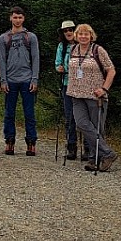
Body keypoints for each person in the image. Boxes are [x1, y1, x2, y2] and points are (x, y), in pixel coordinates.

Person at [66, 23, 118, 171]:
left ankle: (94, 160)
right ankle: (107, 153)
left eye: (86, 34)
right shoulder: (73, 49)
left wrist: (104, 88)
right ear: (76, 36)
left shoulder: (98, 50)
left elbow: (111, 70)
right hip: (76, 94)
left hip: (95, 95)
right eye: (80, 34)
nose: (83, 36)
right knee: (81, 124)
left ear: (91, 36)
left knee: (97, 128)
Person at [0, 6, 40, 156]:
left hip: (27, 80)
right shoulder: (4, 38)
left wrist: (34, 79)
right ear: (10, 18)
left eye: (20, 17)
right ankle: (9, 141)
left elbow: (35, 59)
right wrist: (3, 80)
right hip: (10, 80)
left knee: (29, 113)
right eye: (15, 17)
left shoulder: (31, 37)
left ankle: (31, 142)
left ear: (24, 18)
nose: (17, 20)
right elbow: (1, 60)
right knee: (9, 112)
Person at [54, 20, 82, 160]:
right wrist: (59, 68)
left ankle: (88, 148)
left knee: (83, 118)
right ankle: (71, 147)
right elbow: (58, 64)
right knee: (69, 117)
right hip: (67, 84)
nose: (68, 33)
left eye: (70, 30)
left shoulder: (82, 45)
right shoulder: (62, 47)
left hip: (81, 86)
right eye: (66, 31)